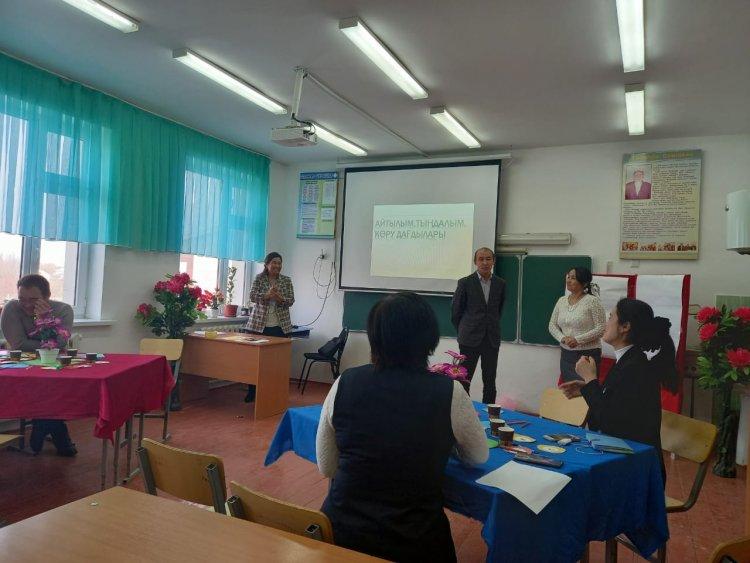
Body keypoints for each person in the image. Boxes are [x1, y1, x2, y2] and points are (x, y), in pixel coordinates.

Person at [316, 292, 488, 562]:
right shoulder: (449, 391)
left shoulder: (344, 382)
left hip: (341, 539)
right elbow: (478, 456)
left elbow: (327, 467)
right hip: (416, 543)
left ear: (375, 337)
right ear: (429, 339)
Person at [559, 298, 677, 482]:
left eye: (610, 317)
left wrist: (590, 380)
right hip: (622, 456)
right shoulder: (628, 359)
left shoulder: (635, 366)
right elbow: (615, 402)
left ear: (625, 326)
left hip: (635, 469)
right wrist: (587, 388)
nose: (606, 323)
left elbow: (607, 419)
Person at [0, 274, 77, 456]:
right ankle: (51, 429)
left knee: (53, 388)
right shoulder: (12, 308)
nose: (26, 305)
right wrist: (48, 344)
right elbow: (19, 345)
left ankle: (42, 424)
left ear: (47, 297)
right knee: (43, 390)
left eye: (33, 300)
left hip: (53, 366)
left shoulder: (64, 310)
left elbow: (59, 344)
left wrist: (44, 318)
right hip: (20, 366)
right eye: (22, 299)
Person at [451, 247, 506, 404]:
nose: (485, 262)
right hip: (469, 339)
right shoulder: (465, 282)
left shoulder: (500, 283)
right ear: (475, 262)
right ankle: (463, 411)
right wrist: (464, 330)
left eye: (488, 259)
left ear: (493, 261)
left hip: (491, 339)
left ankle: (490, 413)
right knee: (464, 379)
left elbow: (498, 310)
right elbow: (455, 312)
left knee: (490, 380)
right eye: (481, 259)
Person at [243, 252, 294, 402]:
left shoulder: (286, 280)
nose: (277, 265)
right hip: (259, 326)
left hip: (280, 327)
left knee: (276, 363)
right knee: (255, 362)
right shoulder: (259, 278)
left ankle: (273, 392)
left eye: (279, 263)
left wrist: (279, 298)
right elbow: (252, 296)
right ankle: (252, 392)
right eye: (274, 262)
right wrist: (267, 295)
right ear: (266, 264)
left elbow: (291, 300)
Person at [548, 267, 606, 382]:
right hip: (566, 355)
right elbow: (552, 325)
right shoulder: (561, 301)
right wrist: (563, 338)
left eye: (573, 278)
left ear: (584, 283)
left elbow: (601, 328)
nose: (568, 280)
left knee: (585, 390)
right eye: (568, 277)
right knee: (569, 389)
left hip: (587, 355)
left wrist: (577, 340)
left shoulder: (592, 301)